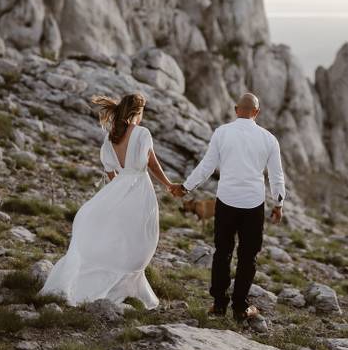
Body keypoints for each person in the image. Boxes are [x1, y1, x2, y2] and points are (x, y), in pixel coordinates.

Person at [39, 92, 176, 309]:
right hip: (140, 192)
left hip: (118, 190)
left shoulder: (111, 136)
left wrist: (118, 189)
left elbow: (111, 171)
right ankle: (120, 287)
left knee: (118, 237)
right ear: (137, 112)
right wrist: (169, 185)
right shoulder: (142, 133)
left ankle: (119, 285)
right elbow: (153, 164)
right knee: (141, 239)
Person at [171, 93, 285, 322]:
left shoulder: (222, 132)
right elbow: (276, 176)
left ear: (235, 109)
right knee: (248, 256)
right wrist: (278, 203)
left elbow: (206, 166)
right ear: (257, 112)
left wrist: (186, 187)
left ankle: (219, 304)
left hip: (226, 201)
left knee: (222, 252)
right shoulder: (269, 139)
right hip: (253, 204)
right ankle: (240, 307)